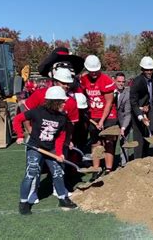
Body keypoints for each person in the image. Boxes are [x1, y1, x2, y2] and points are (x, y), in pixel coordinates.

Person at [13, 86, 77, 215]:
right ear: (54, 102)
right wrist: (20, 135)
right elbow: (17, 119)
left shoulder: (62, 118)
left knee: (58, 172)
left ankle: (62, 198)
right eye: (62, 101)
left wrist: (59, 153)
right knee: (31, 173)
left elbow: (60, 137)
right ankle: (24, 202)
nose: (65, 104)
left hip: (51, 148)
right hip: (35, 147)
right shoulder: (37, 112)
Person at [80, 55, 117, 178]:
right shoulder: (84, 79)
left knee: (108, 141)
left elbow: (109, 103)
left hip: (108, 116)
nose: (94, 73)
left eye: (96, 70)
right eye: (92, 71)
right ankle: (96, 169)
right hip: (92, 115)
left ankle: (108, 170)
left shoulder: (106, 81)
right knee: (95, 142)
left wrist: (102, 120)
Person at [129, 56, 153, 159]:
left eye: (151, 69)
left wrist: (149, 106)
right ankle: (137, 160)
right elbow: (133, 101)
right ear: (142, 69)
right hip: (138, 112)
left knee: (147, 136)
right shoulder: (137, 82)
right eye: (146, 69)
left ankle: (145, 159)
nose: (149, 72)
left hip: (149, 111)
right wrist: (141, 116)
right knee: (139, 139)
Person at [114, 72, 132, 166]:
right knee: (110, 144)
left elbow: (128, 113)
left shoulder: (127, 94)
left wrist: (124, 127)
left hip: (123, 121)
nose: (121, 83)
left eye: (123, 82)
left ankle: (124, 164)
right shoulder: (110, 91)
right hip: (111, 122)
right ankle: (110, 165)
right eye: (119, 81)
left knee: (124, 143)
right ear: (114, 81)